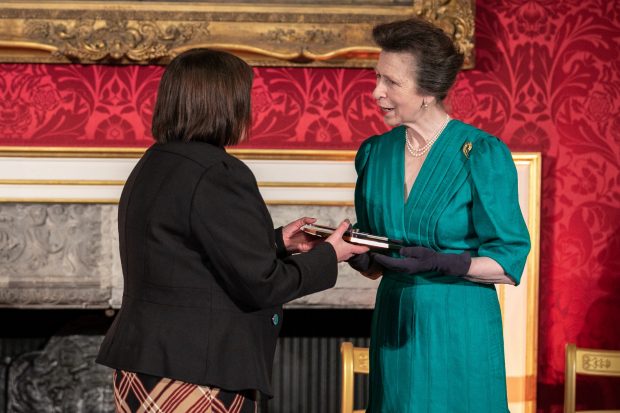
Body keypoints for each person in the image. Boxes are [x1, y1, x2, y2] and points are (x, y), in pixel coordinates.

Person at [96, 48, 368, 413]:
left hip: (144, 366)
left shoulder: (154, 162)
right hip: (196, 373)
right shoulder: (218, 173)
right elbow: (262, 284)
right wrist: (329, 254)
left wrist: (276, 242)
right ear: (225, 105)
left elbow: (185, 253)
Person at [347, 18, 531, 412]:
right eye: (377, 77)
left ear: (428, 90)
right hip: (396, 321)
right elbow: (378, 257)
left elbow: (509, 261)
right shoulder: (374, 154)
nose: (376, 92)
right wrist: (359, 253)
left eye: (391, 83)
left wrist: (445, 262)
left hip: (458, 323)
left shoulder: (481, 153)